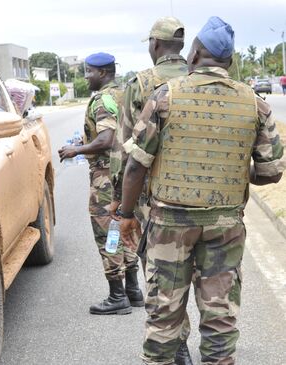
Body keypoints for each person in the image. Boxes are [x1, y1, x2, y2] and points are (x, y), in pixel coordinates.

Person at [118, 16, 285, 364]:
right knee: (220, 319)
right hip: (225, 226)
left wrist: (125, 215)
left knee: (164, 316)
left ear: (193, 56)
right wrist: (237, 172)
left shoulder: (164, 97)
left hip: (169, 226)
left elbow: (136, 165)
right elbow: (270, 173)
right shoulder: (255, 103)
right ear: (230, 61)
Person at [108, 17, 193, 364]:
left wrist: (119, 200)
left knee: (162, 279)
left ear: (155, 45)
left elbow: (125, 148)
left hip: (153, 201)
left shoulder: (140, 84)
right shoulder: (200, 78)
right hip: (204, 197)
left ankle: (178, 345)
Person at [58, 52, 141, 315]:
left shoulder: (103, 100)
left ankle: (117, 296)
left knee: (109, 233)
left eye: (89, 72)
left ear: (103, 73)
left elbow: (105, 139)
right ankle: (133, 290)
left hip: (106, 178)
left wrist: (76, 150)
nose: (86, 77)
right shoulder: (124, 94)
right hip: (126, 174)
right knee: (123, 228)